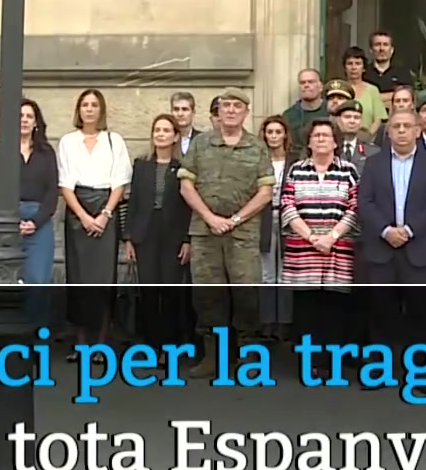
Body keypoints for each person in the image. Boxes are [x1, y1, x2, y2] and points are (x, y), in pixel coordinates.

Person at [178, 89, 275, 375]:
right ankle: (213, 357)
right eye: (226, 106)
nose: (231, 110)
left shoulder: (257, 147)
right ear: (218, 112)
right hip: (205, 233)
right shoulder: (201, 144)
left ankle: (248, 356)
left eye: (237, 106)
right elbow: (186, 186)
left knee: (247, 295)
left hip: (243, 235)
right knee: (208, 296)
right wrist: (210, 218)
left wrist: (234, 219)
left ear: (246, 112)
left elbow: (266, 192)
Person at [358, 109, 426, 357]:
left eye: (407, 126)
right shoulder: (373, 164)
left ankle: (419, 368)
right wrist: (386, 230)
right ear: (388, 132)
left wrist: (408, 230)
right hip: (381, 250)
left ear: (417, 131)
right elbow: (365, 202)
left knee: (421, 314)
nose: (402, 131)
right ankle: (380, 367)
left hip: (418, 250)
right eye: (396, 126)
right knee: (380, 313)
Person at [280, 119, 362, 376]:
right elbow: (287, 206)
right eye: (316, 136)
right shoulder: (296, 170)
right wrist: (312, 237)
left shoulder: (348, 171)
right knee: (306, 309)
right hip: (303, 251)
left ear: (336, 142)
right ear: (309, 142)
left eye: (326, 135)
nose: (321, 140)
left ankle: (332, 363)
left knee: (334, 309)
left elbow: (355, 208)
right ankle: (310, 364)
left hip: (338, 251)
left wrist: (332, 237)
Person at [58, 89, 129, 356]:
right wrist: (84, 216)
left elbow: (120, 182)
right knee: (78, 278)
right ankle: (81, 342)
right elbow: (65, 184)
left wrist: (105, 214)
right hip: (78, 209)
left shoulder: (114, 140)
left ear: (101, 110)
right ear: (79, 110)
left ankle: (101, 343)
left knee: (103, 279)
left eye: (94, 105)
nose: (89, 109)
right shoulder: (68, 141)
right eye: (85, 104)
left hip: (105, 208)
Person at [125, 114, 191, 346]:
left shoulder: (183, 168)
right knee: (149, 291)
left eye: (166, 130)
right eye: (157, 130)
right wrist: (128, 237)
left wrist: (187, 239)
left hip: (173, 235)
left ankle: (170, 345)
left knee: (170, 291)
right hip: (145, 233)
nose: (160, 134)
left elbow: (188, 206)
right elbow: (133, 202)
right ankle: (150, 344)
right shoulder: (141, 165)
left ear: (175, 137)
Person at [12, 100, 59, 328]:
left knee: (39, 280)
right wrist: (12, 220)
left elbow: (52, 192)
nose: (24, 120)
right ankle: (13, 335)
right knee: (11, 281)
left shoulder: (46, 152)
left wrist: (35, 221)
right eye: (20, 116)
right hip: (9, 220)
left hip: (40, 220)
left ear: (36, 122)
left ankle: (37, 334)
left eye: (29, 116)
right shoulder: (3, 150)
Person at [259, 115, 298, 342]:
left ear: (285, 135)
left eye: (278, 132)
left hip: (288, 218)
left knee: (285, 272)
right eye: (270, 132)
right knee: (266, 273)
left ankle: (284, 322)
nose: (273, 136)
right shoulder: (259, 159)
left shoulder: (295, 161)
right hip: (263, 216)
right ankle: (266, 321)